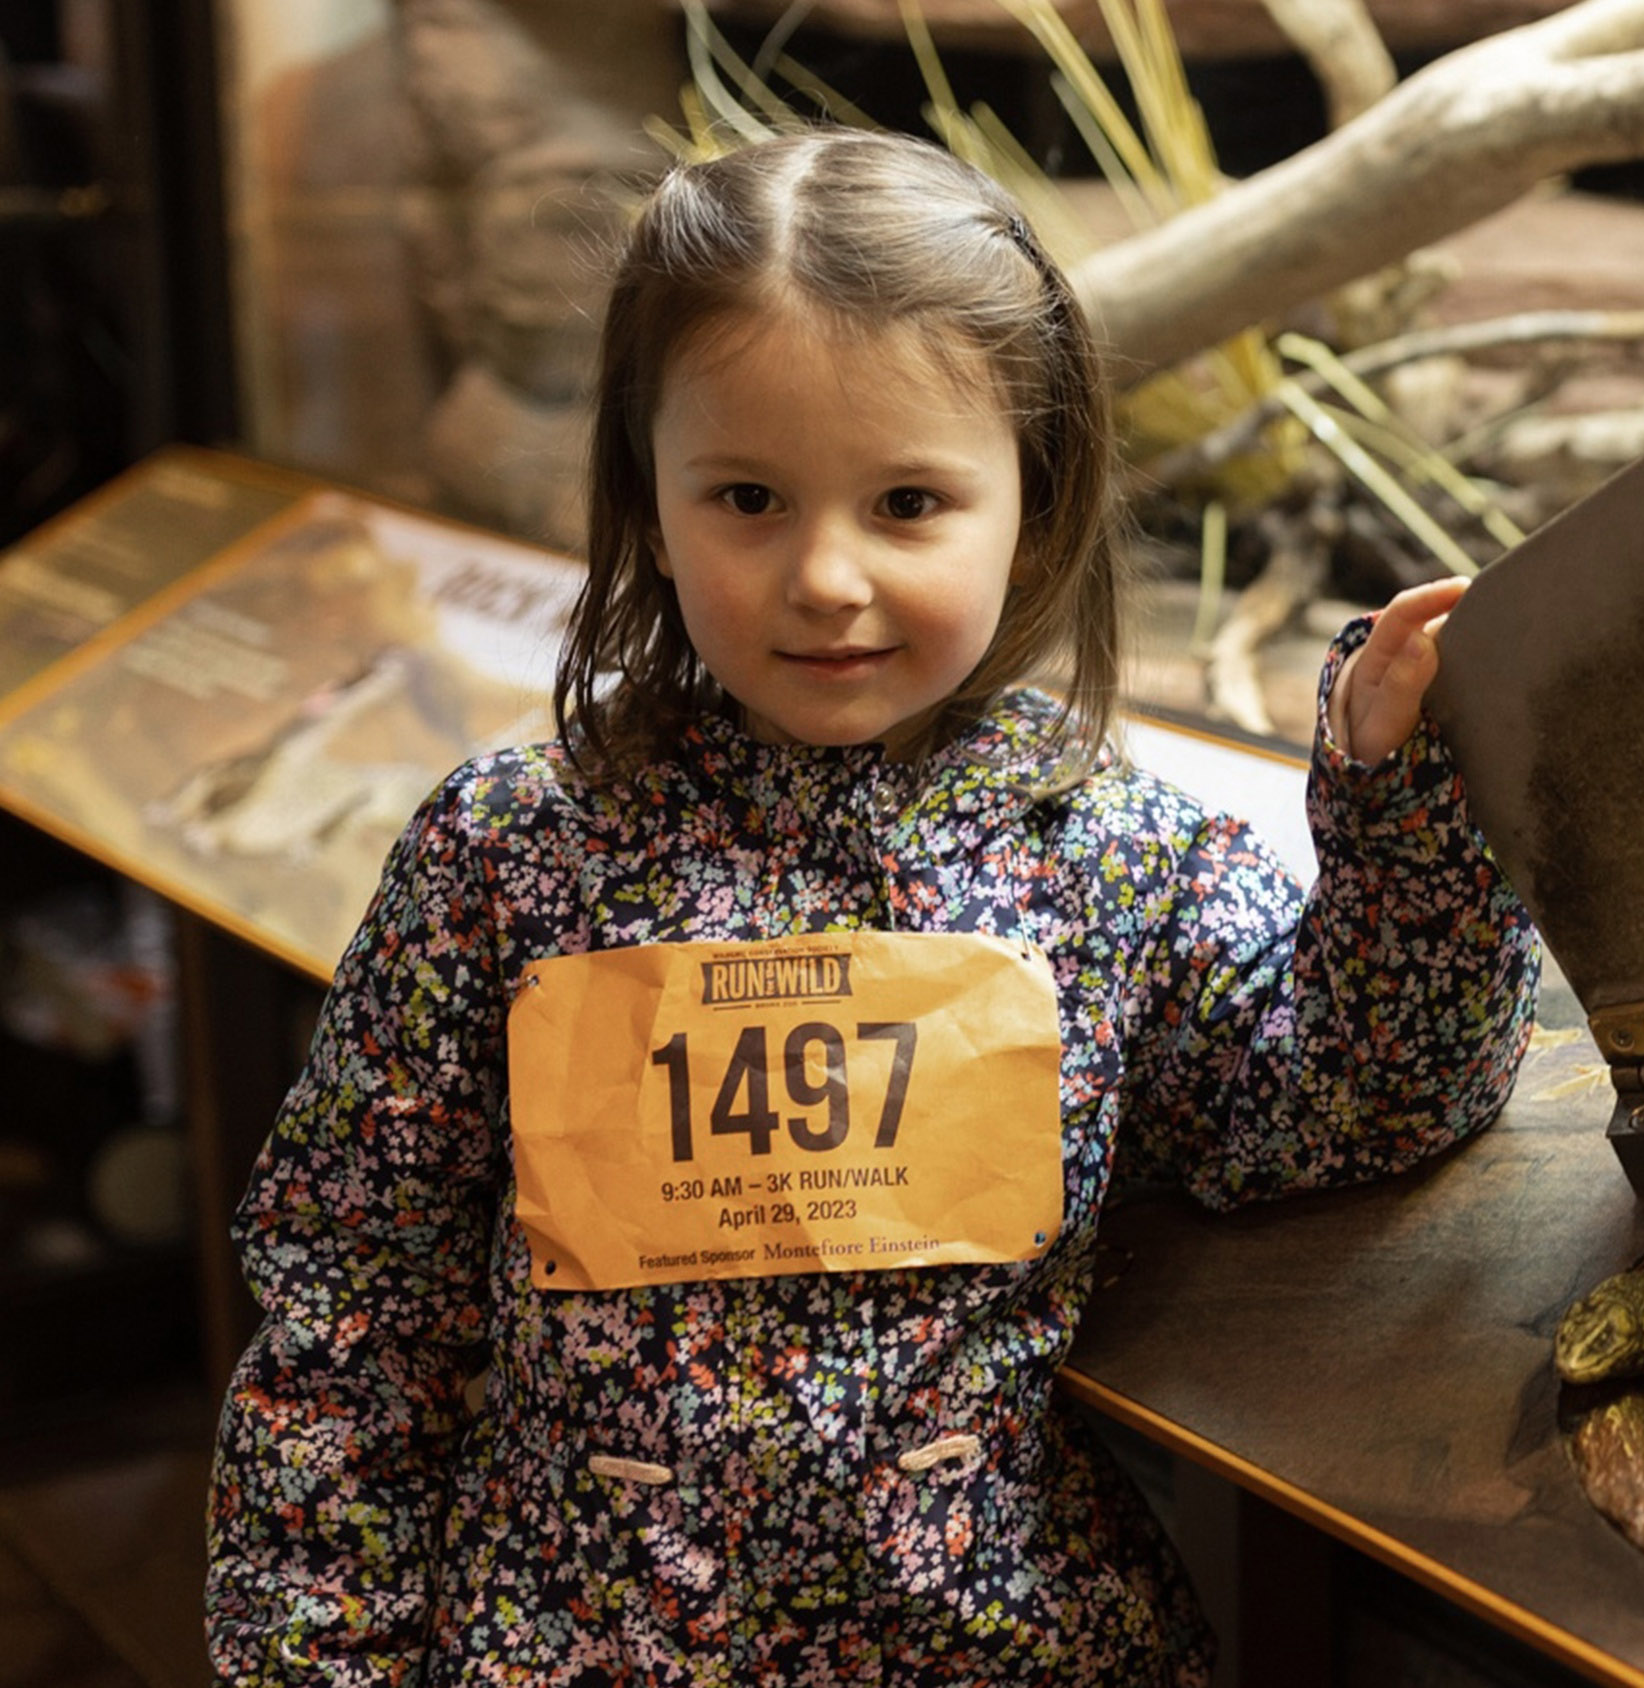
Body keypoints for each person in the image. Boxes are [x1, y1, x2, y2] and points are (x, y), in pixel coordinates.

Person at [205, 128, 1540, 1685]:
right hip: (575, 1647)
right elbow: (350, 1325)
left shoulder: (1105, 848)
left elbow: (1350, 1089)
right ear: (648, 500)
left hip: (1003, 1646)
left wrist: (1404, 800)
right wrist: (320, 1662)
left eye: (908, 502)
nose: (826, 577)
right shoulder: (505, 854)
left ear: (1033, 505)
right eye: (749, 498)